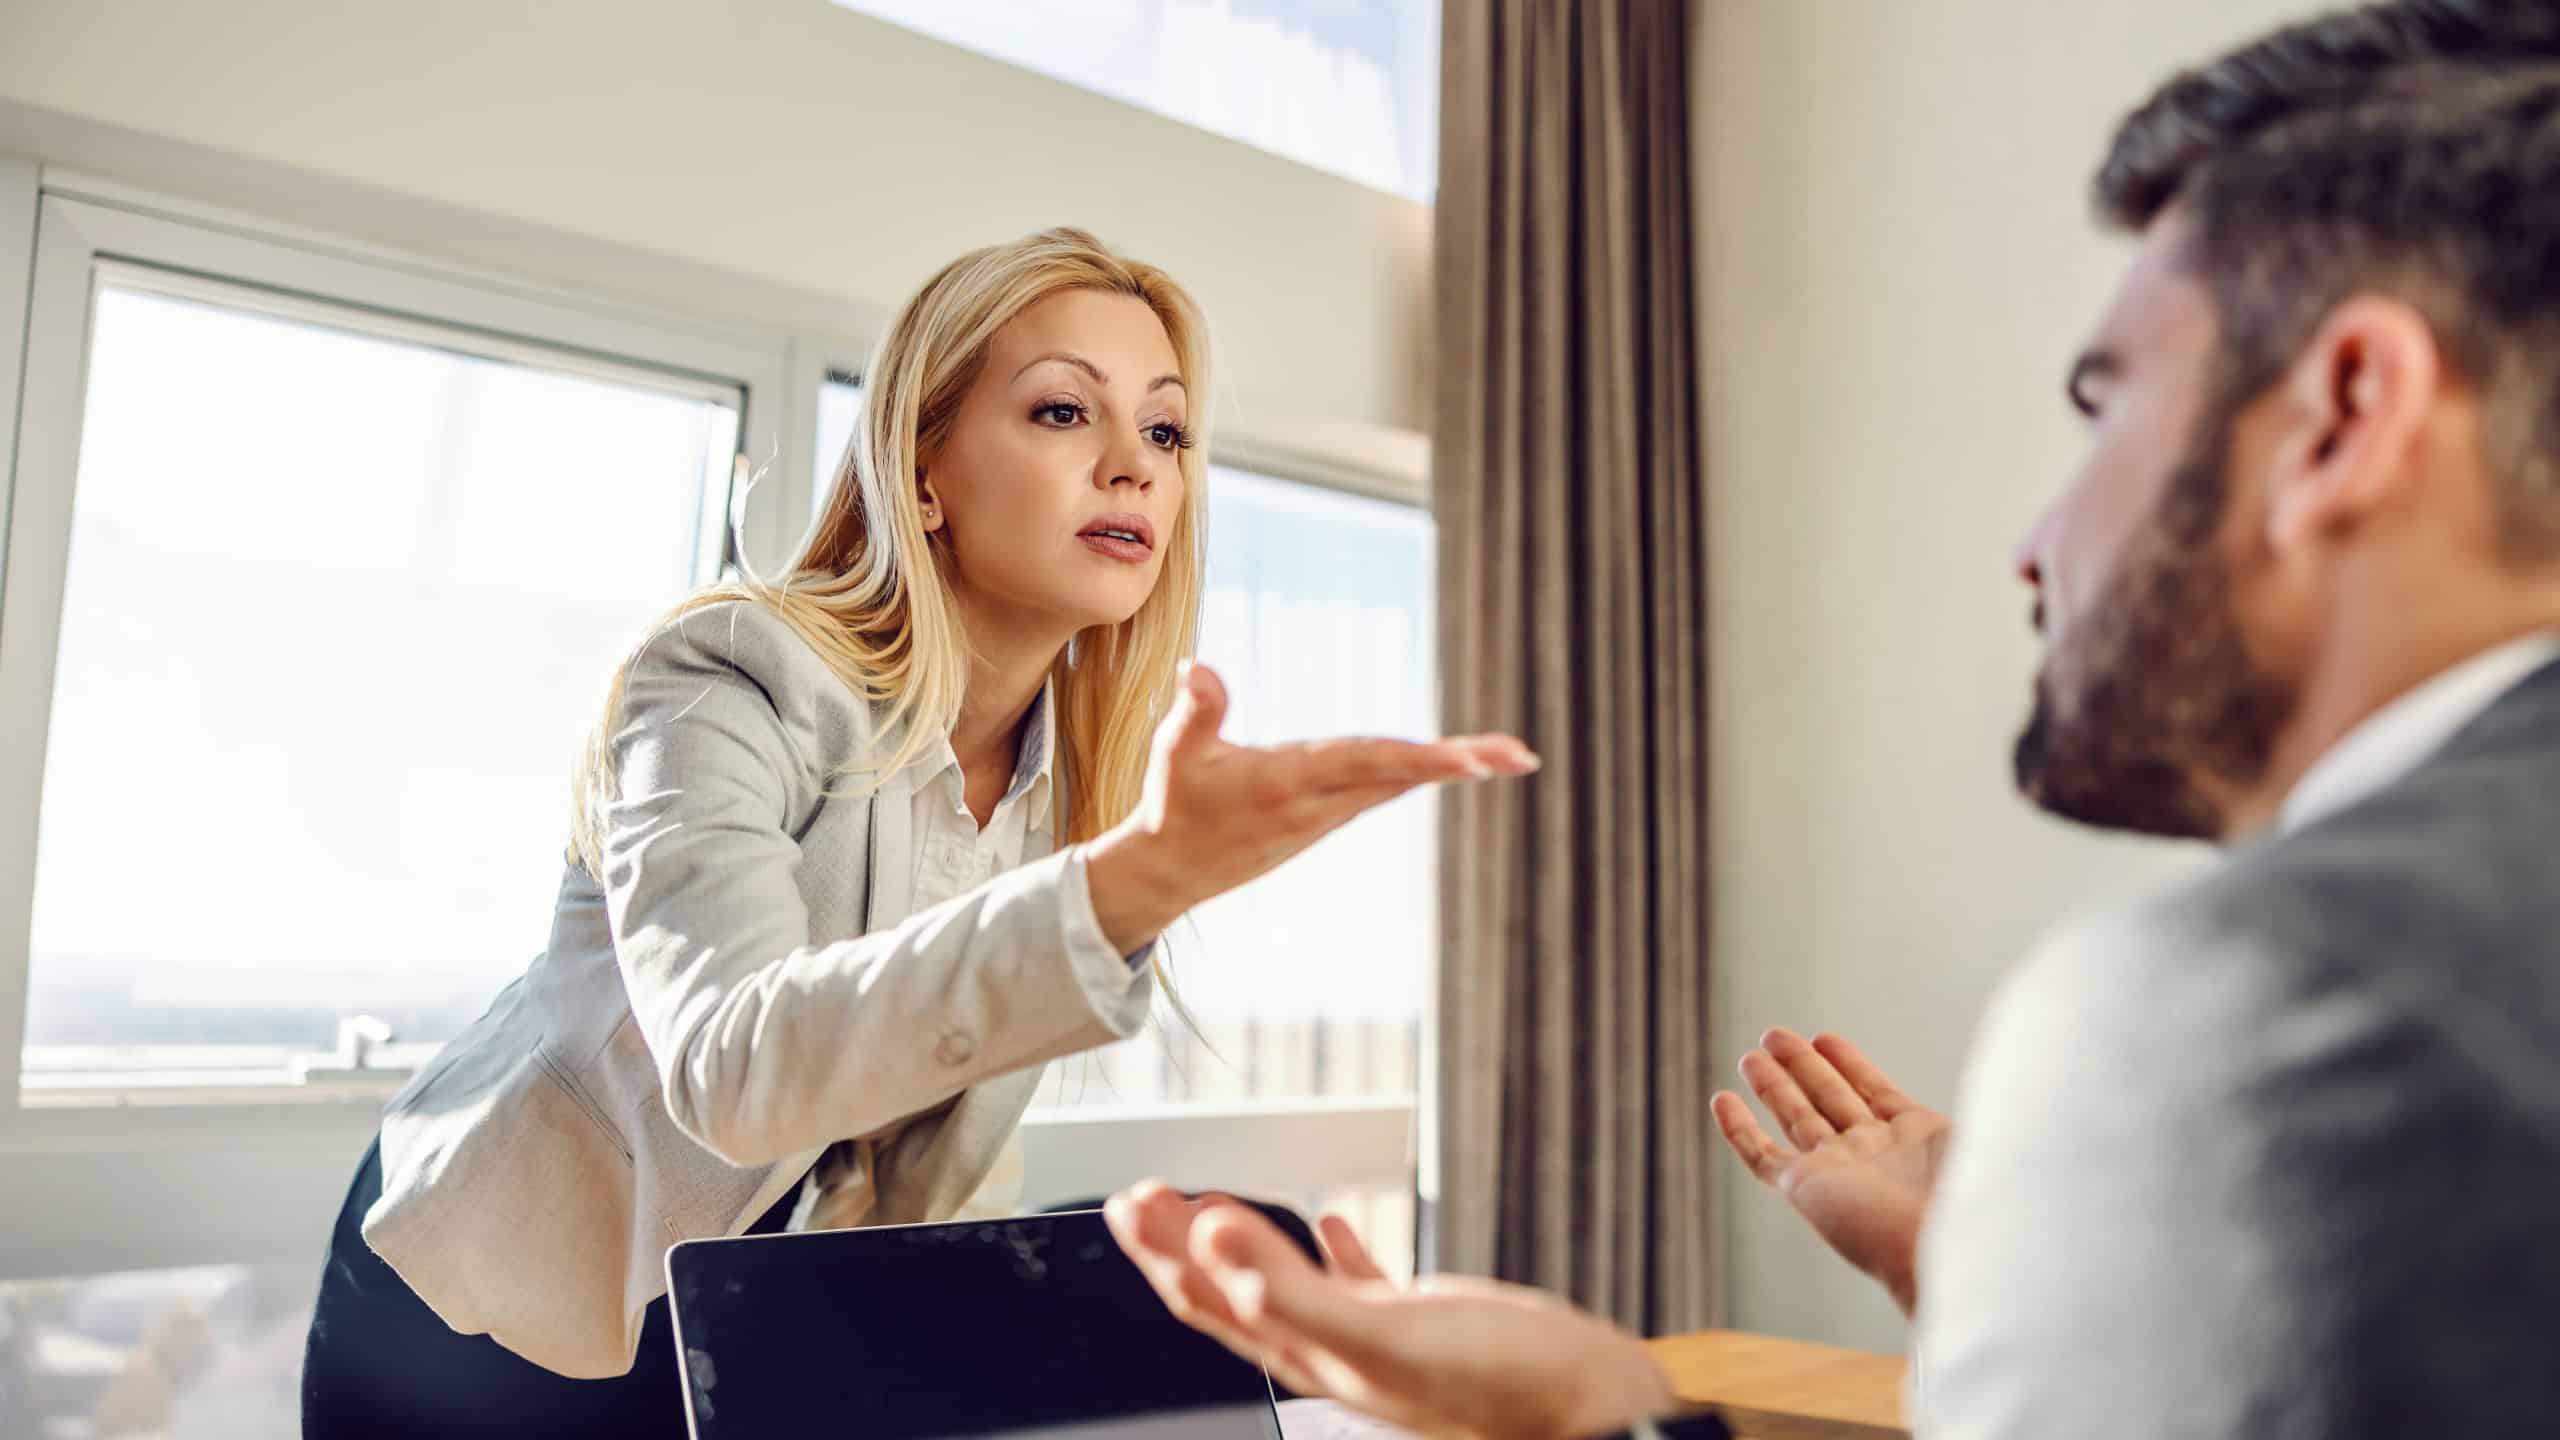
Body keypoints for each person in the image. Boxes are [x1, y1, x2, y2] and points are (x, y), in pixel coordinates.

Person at [1107, 4, 2560, 1435]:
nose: (2037, 546)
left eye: (2106, 407)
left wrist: (1599, 1418)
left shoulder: (2272, 998)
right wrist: (2025, 1290)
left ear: (2344, 414)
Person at [298, 225, 1537, 1439]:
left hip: (732, 1313)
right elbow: (731, 1071)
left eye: (1164, 430)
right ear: (924, 471)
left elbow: (934, 1161)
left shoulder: (1070, 792)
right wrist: (1127, 887)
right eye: (1064, 411)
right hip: (477, 1311)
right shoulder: (729, 673)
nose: (1135, 467)